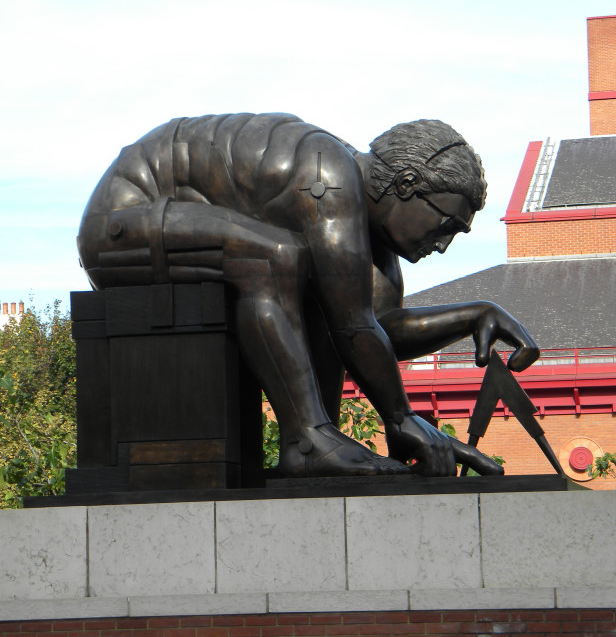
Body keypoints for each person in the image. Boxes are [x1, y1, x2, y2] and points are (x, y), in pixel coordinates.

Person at [77, 113, 539, 478]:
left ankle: (321, 438)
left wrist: (474, 315)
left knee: (309, 274)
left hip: (171, 227)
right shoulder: (329, 178)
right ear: (407, 186)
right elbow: (355, 326)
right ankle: (308, 441)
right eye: (445, 225)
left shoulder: (364, 230)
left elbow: (376, 331)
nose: (442, 245)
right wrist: (400, 419)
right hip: (122, 223)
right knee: (275, 257)